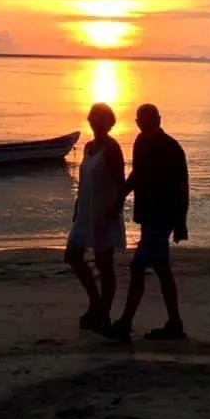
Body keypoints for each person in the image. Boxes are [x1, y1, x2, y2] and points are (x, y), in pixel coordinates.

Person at [106, 103, 189, 341]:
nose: (143, 124)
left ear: (159, 120)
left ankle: (125, 323)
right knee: (162, 270)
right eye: (140, 120)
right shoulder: (140, 142)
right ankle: (175, 323)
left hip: (162, 217)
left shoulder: (171, 147)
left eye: (148, 120)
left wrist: (181, 222)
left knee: (138, 267)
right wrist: (121, 195)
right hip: (148, 215)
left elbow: (181, 186)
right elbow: (137, 174)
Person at [65, 103, 126, 331]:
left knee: (104, 264)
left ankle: (103, 313)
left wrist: (115, 208)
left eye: (100, 120)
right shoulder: (88, 146)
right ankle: (95, 303)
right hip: (85, 211)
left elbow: (121, 183)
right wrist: (78, 204)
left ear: (108, 123)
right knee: (72, 255)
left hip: (104, 212)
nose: (95, 123)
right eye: (93, 119)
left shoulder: (112, 148)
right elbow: (84, 182)